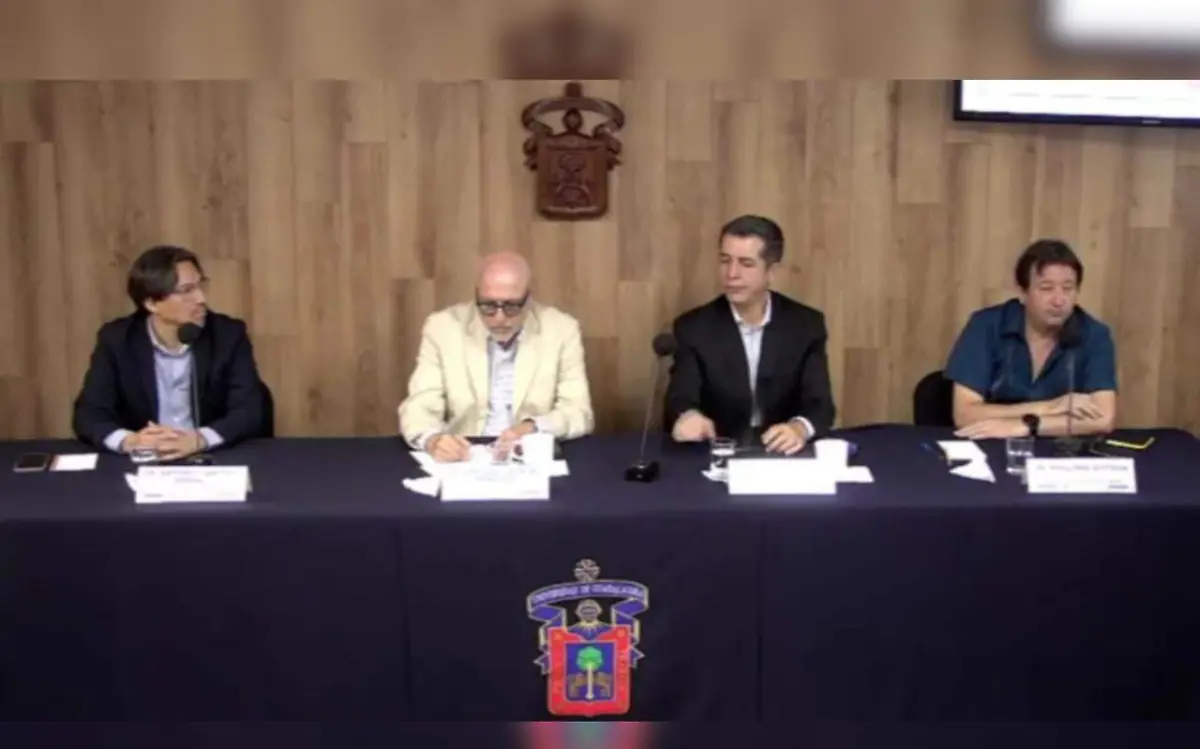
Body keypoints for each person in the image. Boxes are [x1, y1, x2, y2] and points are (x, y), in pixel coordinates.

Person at [72, 245, 268, 460]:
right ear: (152, 303)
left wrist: (200, 439)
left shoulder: (227, 335)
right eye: (187, 290)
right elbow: (89, 414)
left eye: (201, 285)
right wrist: (131, 441)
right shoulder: (118, 340)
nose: (201, 298)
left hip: (209, 458)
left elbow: (249, 410)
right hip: (145, 462)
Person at [398, 251, 594, 462]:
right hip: (465, 456)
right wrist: (433, 440)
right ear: (476, 296)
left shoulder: (562, 329)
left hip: (530, 455)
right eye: (488, 306)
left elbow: (578, 411)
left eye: (511, 306)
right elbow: (419, 406)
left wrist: (534, 427)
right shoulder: (443, 327)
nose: (499, 318)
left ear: (529, 298)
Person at [664, 215, 836, 455]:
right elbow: (680, 398)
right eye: (725, 261)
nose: (731, 273)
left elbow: (820, 406)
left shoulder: (806, 325)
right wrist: (688, 417)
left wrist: (799, 428)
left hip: (782, 454)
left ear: (772, 271)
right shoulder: (693, 327)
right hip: (717, 452)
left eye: (746, 264)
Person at [945, 239, 1117, 440]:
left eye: (1068, 288)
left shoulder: (1094, 335)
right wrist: (1051, 407)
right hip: (990, 443)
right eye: (1046, 288)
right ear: (1023, 291)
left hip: (1058, 449)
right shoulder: (986, 325)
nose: (1059, 300)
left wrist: (1026, 426)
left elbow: (1103, 419)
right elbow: (965, 415)